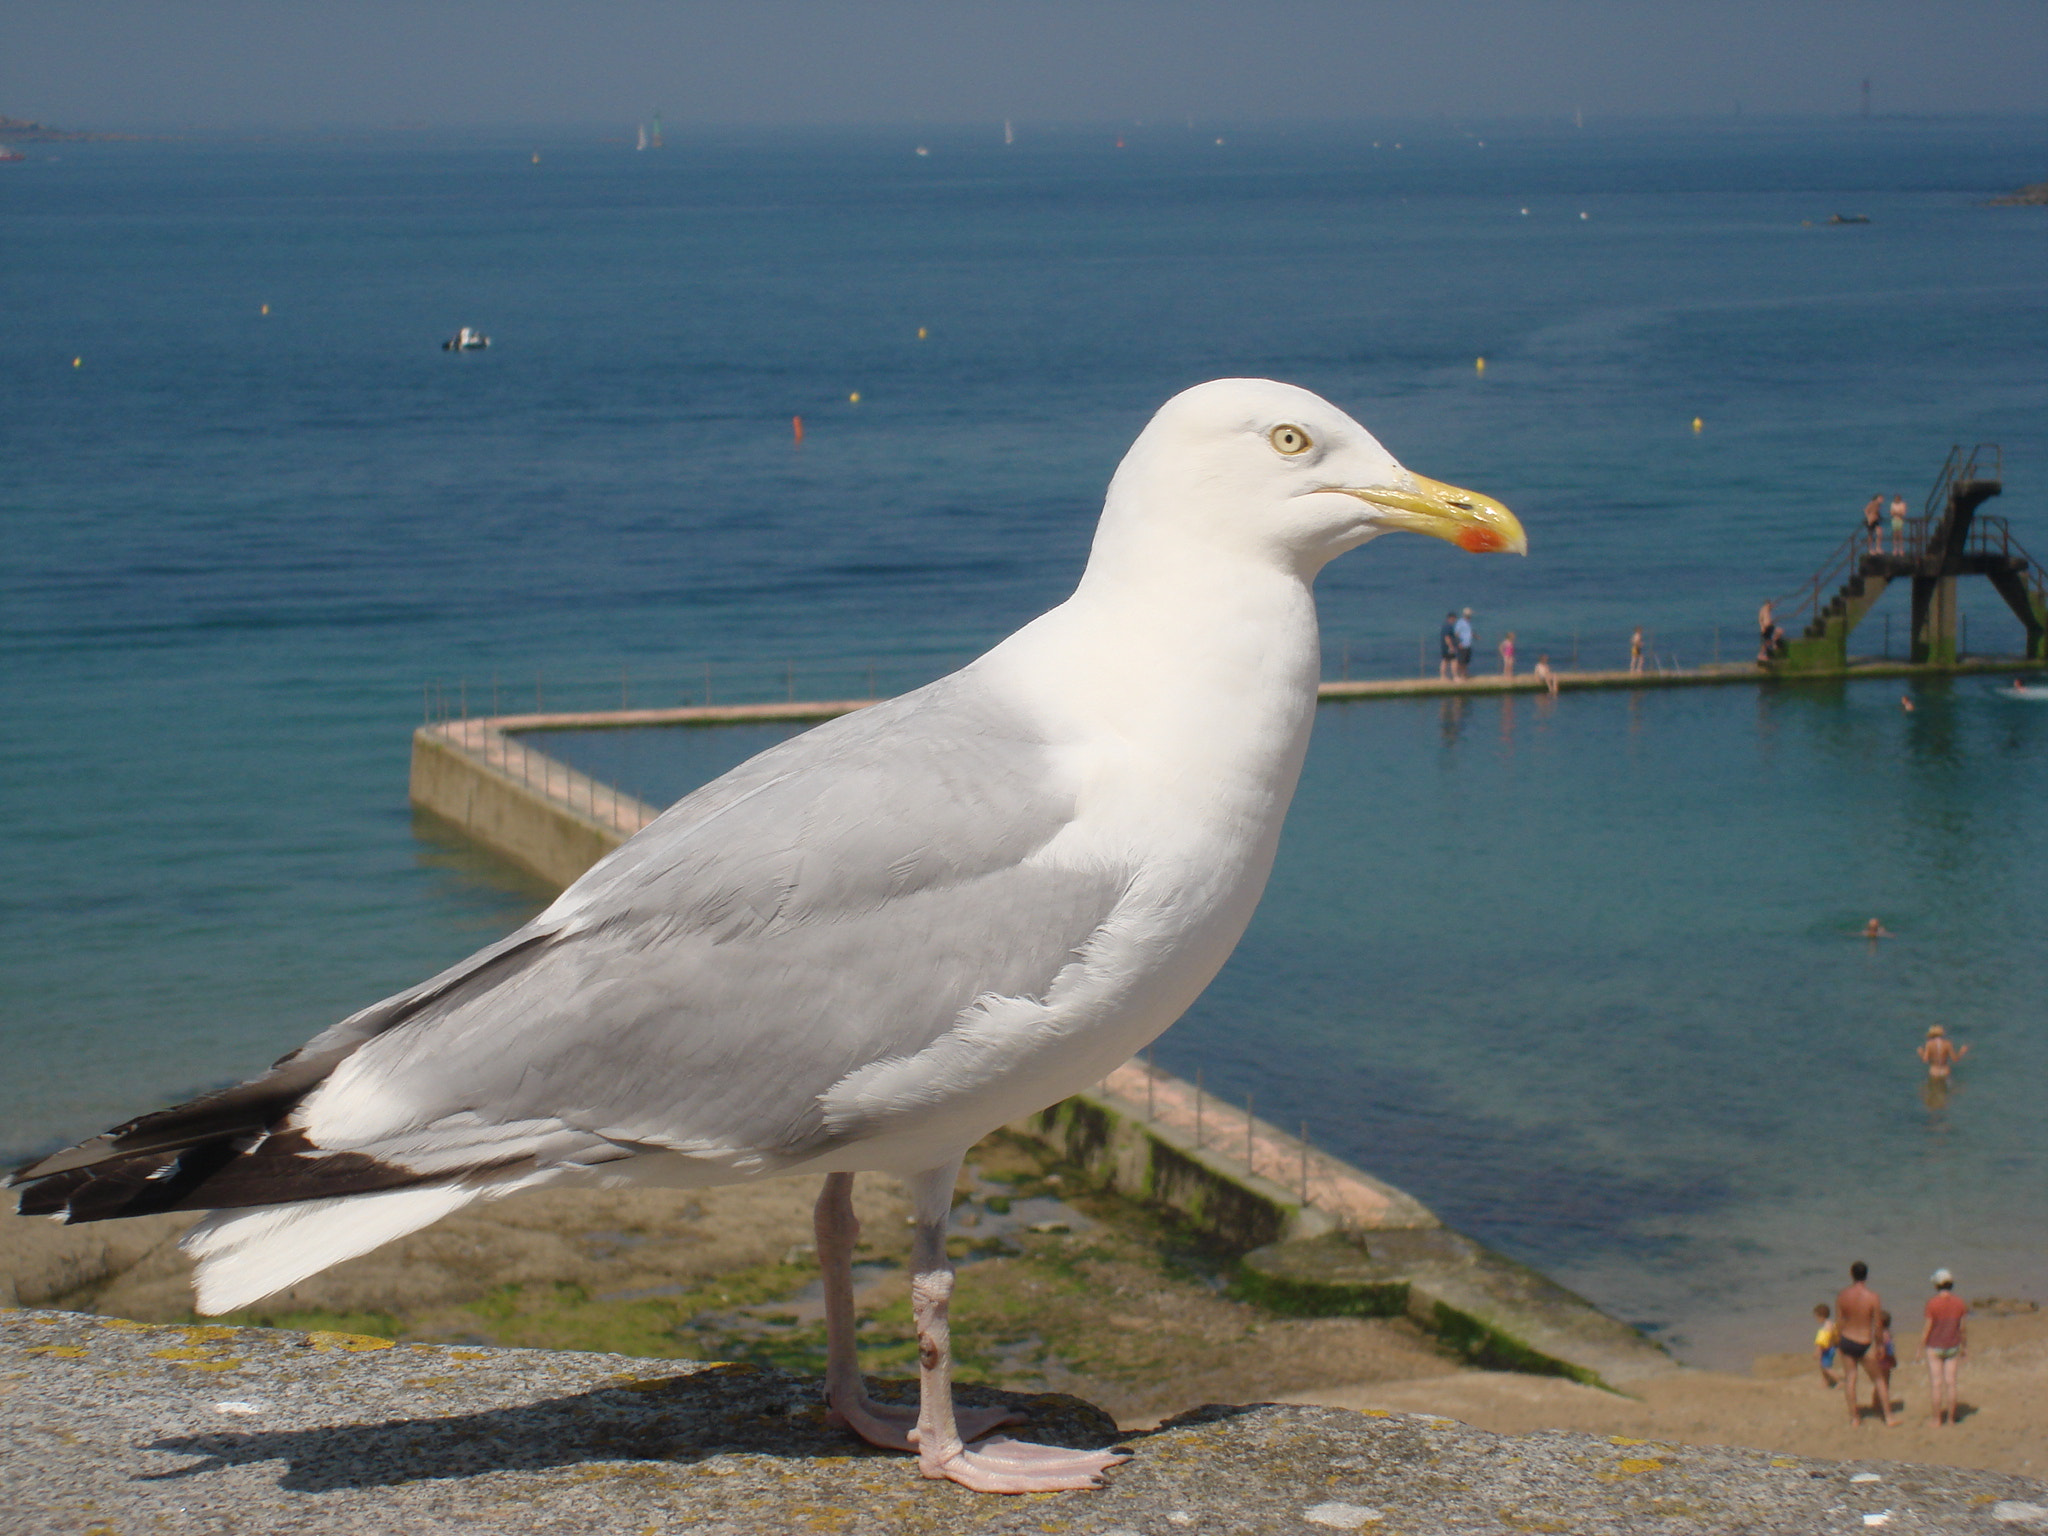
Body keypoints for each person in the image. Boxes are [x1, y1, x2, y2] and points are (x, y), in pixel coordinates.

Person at [1834, 1260, 1896, 1426]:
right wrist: (1881, 1345)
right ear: (1866, 1275)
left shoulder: (1842, 1296)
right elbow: (1877, 1324)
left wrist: (1837, 1341)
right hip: (1865, 1341)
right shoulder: (1872, 1297)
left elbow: (1839, 1322)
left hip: (1847, 1339)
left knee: (1851, 1379)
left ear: (1851, 1275)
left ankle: (1855, 1418)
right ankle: (1888, 1417)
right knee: (1879, 1380)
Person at [1922, 1268, 1968, 1426]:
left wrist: (1920, 1346)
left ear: (1936, 1285)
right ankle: (1950, 1419)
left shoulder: (1932, 1303)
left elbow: (1928, 1327)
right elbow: (1962, 1328)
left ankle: (1936, 1419)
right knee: (1951, 1382)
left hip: (1935, 1346)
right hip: (1953, 1345)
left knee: (1936, 1383)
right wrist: (1965, 1346)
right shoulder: (1959, 1302)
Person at [1813, 1302, 1840, 1388]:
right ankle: (1825, 1382)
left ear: (1820, 1316)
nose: (1816, 1319)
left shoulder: (1825, 1328)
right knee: (1823, 1366)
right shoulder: (1832, 1324)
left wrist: (1817, 1352)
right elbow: (1835, 1337)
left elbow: (1822, 1342)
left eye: (1816, 1317)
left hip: (1826, 1350)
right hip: (1832, 1348)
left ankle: (1839, 1381)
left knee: (1826, 1368)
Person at [1454, 607, 1474, 682]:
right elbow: (1456, 633)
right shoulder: (1460, 622)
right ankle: (1460, 675)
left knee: (1466, 661)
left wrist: (1475, 636)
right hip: (1462, 644)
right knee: (1461, 661)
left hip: (1468, 644)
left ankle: (1464, 674)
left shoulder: (1469, 622)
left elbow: (1468, 632)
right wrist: (1459, 642)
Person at [1439, 611, 1459, 681]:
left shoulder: (1445, 626)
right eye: (1454, 618)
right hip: (1449, 647)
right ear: (1451, 618)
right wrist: (1451, 647)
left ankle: (1443, 676)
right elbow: (1447, 637)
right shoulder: (1449, 626)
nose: (1455, 620)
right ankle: (1455, 676)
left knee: (1445, 661)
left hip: (1444, 647)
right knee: (1454, 661)